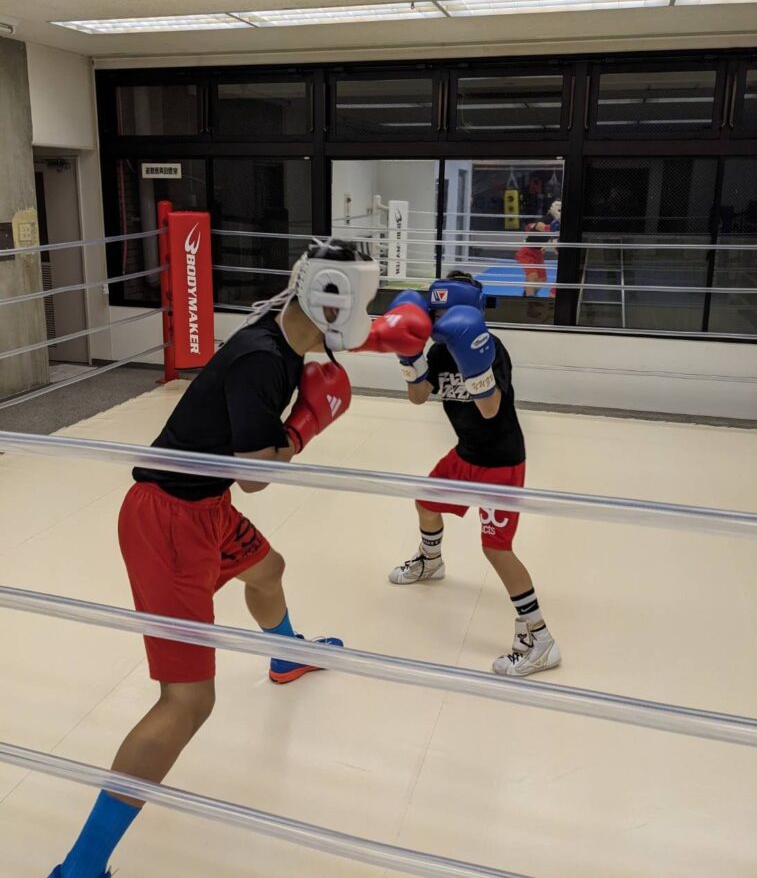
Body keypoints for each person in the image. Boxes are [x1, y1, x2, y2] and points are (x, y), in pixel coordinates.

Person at [48, 238, 381, 878]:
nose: (366, 314)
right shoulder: (263, 360)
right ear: (332, 300)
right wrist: (307, 425)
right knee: (189, 701)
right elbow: (255, 476)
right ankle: (80, 868)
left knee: (268, 570)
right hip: (169, 521)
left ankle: (284, 655)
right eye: (362, 298)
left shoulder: (283, 341)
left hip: (204, 506)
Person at [385, 272, 561, 678]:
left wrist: (471, 359)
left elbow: (490, 408)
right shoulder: (439, 351)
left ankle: (541, 640)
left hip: (501, 461)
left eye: (445, 313)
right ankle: (431, 562)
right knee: (426, 503)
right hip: (465, 452)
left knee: (496, 549)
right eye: (435, 313)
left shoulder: (490, 348)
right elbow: (418, 398)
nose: (439, 320)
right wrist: (409, 358)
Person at [515, 198, 561, 300]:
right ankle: (529, 300)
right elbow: (538, 225)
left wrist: (554, 245)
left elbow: (553, 239)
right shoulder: (549, 217)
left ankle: (529, 295)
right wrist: (551, 228)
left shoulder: (558, 223)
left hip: (538, 252)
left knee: (542, 278)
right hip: (527, 251)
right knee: (532, 276)